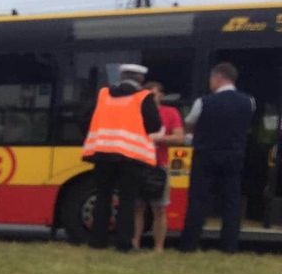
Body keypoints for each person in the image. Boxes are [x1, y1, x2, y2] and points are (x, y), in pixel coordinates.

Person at [81, 63, 163, 251]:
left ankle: (97, 241)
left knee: (102, 197)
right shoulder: (144, 97)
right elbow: (155, 126)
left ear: (121, 76)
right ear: (140, 80)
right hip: (131, 157)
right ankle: (124, 244)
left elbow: (85, 118)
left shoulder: (103, 95)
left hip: (102, 154)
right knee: (127, 200)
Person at [178, 62, 255, 253]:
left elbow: (189, 123)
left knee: (198, 200)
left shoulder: (203, 102)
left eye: (211, 79)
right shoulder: (249, 102)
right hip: (234, 157)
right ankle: (229, 246)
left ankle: (189, 244)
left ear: (218, 77)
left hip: (205, 156)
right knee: (231, 202)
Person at [133, 80, 185, 251]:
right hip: (138, 164)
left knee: (159, 209)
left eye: (153, 94)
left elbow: (179, 138)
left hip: (159, 167)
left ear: (161, 95)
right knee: (137, 208)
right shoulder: (135, 113)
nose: (149, 98)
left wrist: (158, 138)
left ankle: (159, 247)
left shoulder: (170, 113)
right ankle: (134, 243)